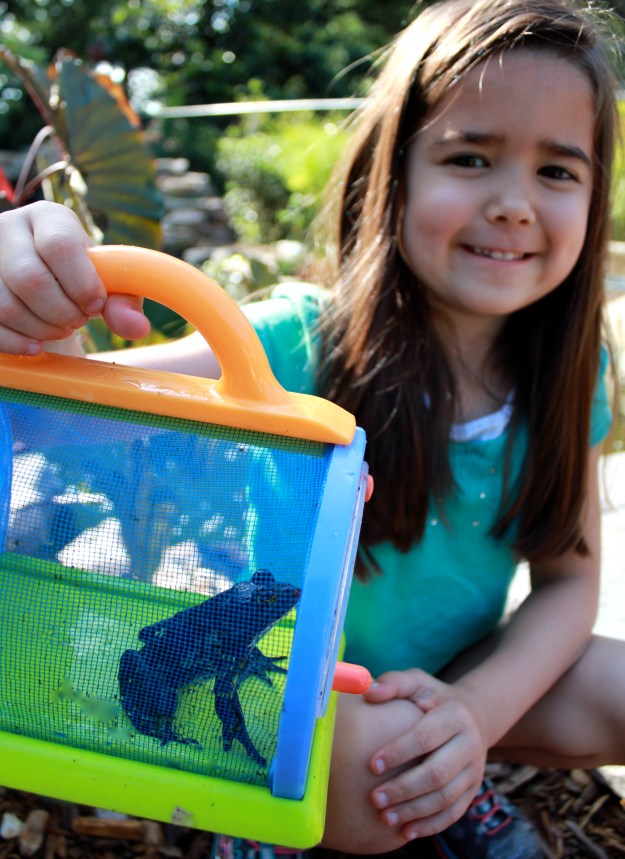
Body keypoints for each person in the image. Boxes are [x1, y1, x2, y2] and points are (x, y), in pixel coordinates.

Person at [1, 0, 625, 857]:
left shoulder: (569, 369)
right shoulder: (298, 337)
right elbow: (67, 423)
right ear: (390, 176)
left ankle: (453, 772)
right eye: (470, 157)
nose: (514, 204)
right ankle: (266, 806)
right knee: (372, 763)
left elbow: (566, 584)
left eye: (558, 171)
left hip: (454, 668)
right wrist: (35, 316)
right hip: (309, 683)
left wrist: (474, 715)